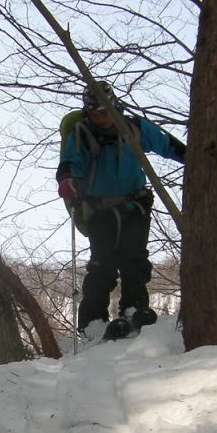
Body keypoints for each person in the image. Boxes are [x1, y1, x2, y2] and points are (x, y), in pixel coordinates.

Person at [56, 80, 186, 338]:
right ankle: (93, 323)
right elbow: (70, 162)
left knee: (134, 259)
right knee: (102, 263)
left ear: (115, 106)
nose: (102, 118)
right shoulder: (81, 133)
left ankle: (134, 309)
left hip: (135, 205)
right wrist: (67, 180)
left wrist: (192, 156)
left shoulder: (133, 128)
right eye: (96, 113)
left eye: (106, 111)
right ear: (88, 112)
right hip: (98, 209)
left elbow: (166, 144)